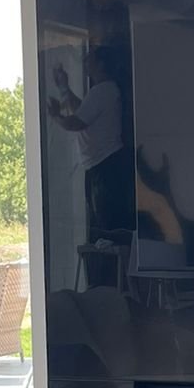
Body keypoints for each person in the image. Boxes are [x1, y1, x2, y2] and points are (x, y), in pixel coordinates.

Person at [46, 44, 133, 260]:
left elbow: (76, 122)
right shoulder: (104, 91)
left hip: (105, 165)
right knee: (105, 224)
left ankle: (110, 274)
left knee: (108, 227)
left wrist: (55, 115)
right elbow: (83, 109)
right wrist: (64, 88)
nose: (85, 62)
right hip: (100, 164)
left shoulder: (103, 90)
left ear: (102, 64)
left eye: (90, 59)